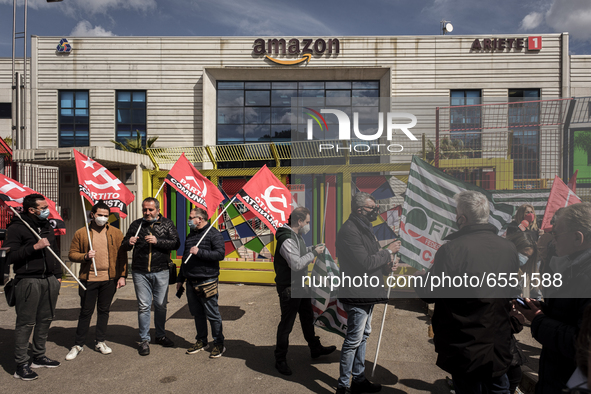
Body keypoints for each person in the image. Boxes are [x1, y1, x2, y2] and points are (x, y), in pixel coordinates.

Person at [414, 190, 519, 394]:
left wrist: (420, 278)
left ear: (461, 218)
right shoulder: (509, 248)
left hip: (465, 345)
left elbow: (429, 292)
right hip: (498, 344)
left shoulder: (452, 250)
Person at [515, 203, 591, 393]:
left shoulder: (587, 276)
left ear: (577, 237)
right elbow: (572, 315)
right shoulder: (575, 267)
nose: (551, 241)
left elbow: (582, 344)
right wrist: (545, 310)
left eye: (556, 235)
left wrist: (539, 320)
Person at [335, 192, 399, 394]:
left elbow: (373, 260)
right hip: (356, 291)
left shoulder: (365, 228)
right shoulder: (349, 231)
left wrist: (388, 266)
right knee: (354, 339)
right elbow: (365, 263)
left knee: (363, 335)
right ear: (360, 209)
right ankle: (343, 385)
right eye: (372, 208)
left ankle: (359, 379)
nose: (376, 211)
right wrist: (388, 251)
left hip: (367, 290)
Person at [273, 206, 337, 376]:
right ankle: (280, 359)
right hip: (290, 288)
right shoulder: (286, 239)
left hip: (300, 286)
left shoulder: (297, 236)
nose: (309, 225)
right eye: (307, 222)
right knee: (286, 325)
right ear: (299, 222)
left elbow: (300, 254)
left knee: (307, 318)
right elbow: (296, 264)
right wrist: (314, 253)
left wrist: (312, 249)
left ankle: (315, 348)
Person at [5, 194, 62, 380]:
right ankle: (21, 364)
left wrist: (58, 275)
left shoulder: (46, 225)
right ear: (31, 210)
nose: (47, 210)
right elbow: (10, 257)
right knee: (26, 323)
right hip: (29, 281)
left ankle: (39, 355)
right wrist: (33, 248)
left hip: (49, 279)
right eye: (43, 207)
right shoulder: (16, 228)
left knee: (45, 319)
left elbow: (55, 251)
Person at [65, 201, 128, 360]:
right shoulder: (81, 232)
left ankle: (100, 341)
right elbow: (72, 254)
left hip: (109, 279)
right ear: (92, 215)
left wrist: (122, 276)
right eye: (100, 215)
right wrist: (85, 256)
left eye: (106, 216)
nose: (103, 218)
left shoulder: (116, 232)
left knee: (104, 311)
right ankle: (78, 344)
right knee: (86, 312)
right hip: (89, 279)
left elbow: (122, 256)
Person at [122, 197, 180, 356]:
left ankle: (160, 336)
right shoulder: (136, 224)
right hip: (140, 271)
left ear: (158, 210)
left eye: (150, 209)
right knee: (143, 306)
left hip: (161, 270)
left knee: (161, 305)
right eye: (144, 210)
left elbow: (176, 243)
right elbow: (124, 244)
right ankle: (144, 340)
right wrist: (129, 242)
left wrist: (157, 241)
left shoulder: (167, 224)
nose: (147, 213)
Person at [176, 207, 226, 359]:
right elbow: (185, 258)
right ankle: (201, 340)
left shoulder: (214, 234)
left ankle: (218, 343)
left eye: (191, 218)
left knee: (212, 314)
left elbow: (220, 254)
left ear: (200, 219)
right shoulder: (191, 235)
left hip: (207, 280)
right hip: (191, 280)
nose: (189, 220)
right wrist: (180, 279)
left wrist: (200, 252)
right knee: (197, 314)